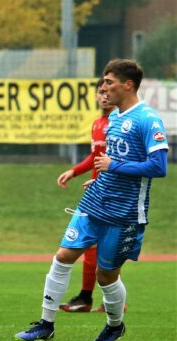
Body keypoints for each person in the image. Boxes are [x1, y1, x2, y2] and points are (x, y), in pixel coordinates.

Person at [15, 59, 168, 341]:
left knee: (106, 276)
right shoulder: (111, 119)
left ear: (127, 84)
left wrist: (115, 166)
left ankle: (114, 325)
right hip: (95, 202)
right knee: (63, 256)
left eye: (109, 82)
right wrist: (103, 176)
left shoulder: (148, 119)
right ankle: (46, 324)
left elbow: (159, 167)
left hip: (124, 212)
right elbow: (110, 163)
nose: (104, 88)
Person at [56, 77, 117, 313]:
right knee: (95, 247)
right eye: (99, 92)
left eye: (106, 91)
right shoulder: (97, 123)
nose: (103, 96)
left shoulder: (118, 123)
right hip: (95, 191)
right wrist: (74, 171)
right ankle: (90, 298)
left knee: (100, 246)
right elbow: (95, 157)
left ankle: (91, 298)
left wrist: (103, 180)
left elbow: (117, 160)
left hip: (108, 192)